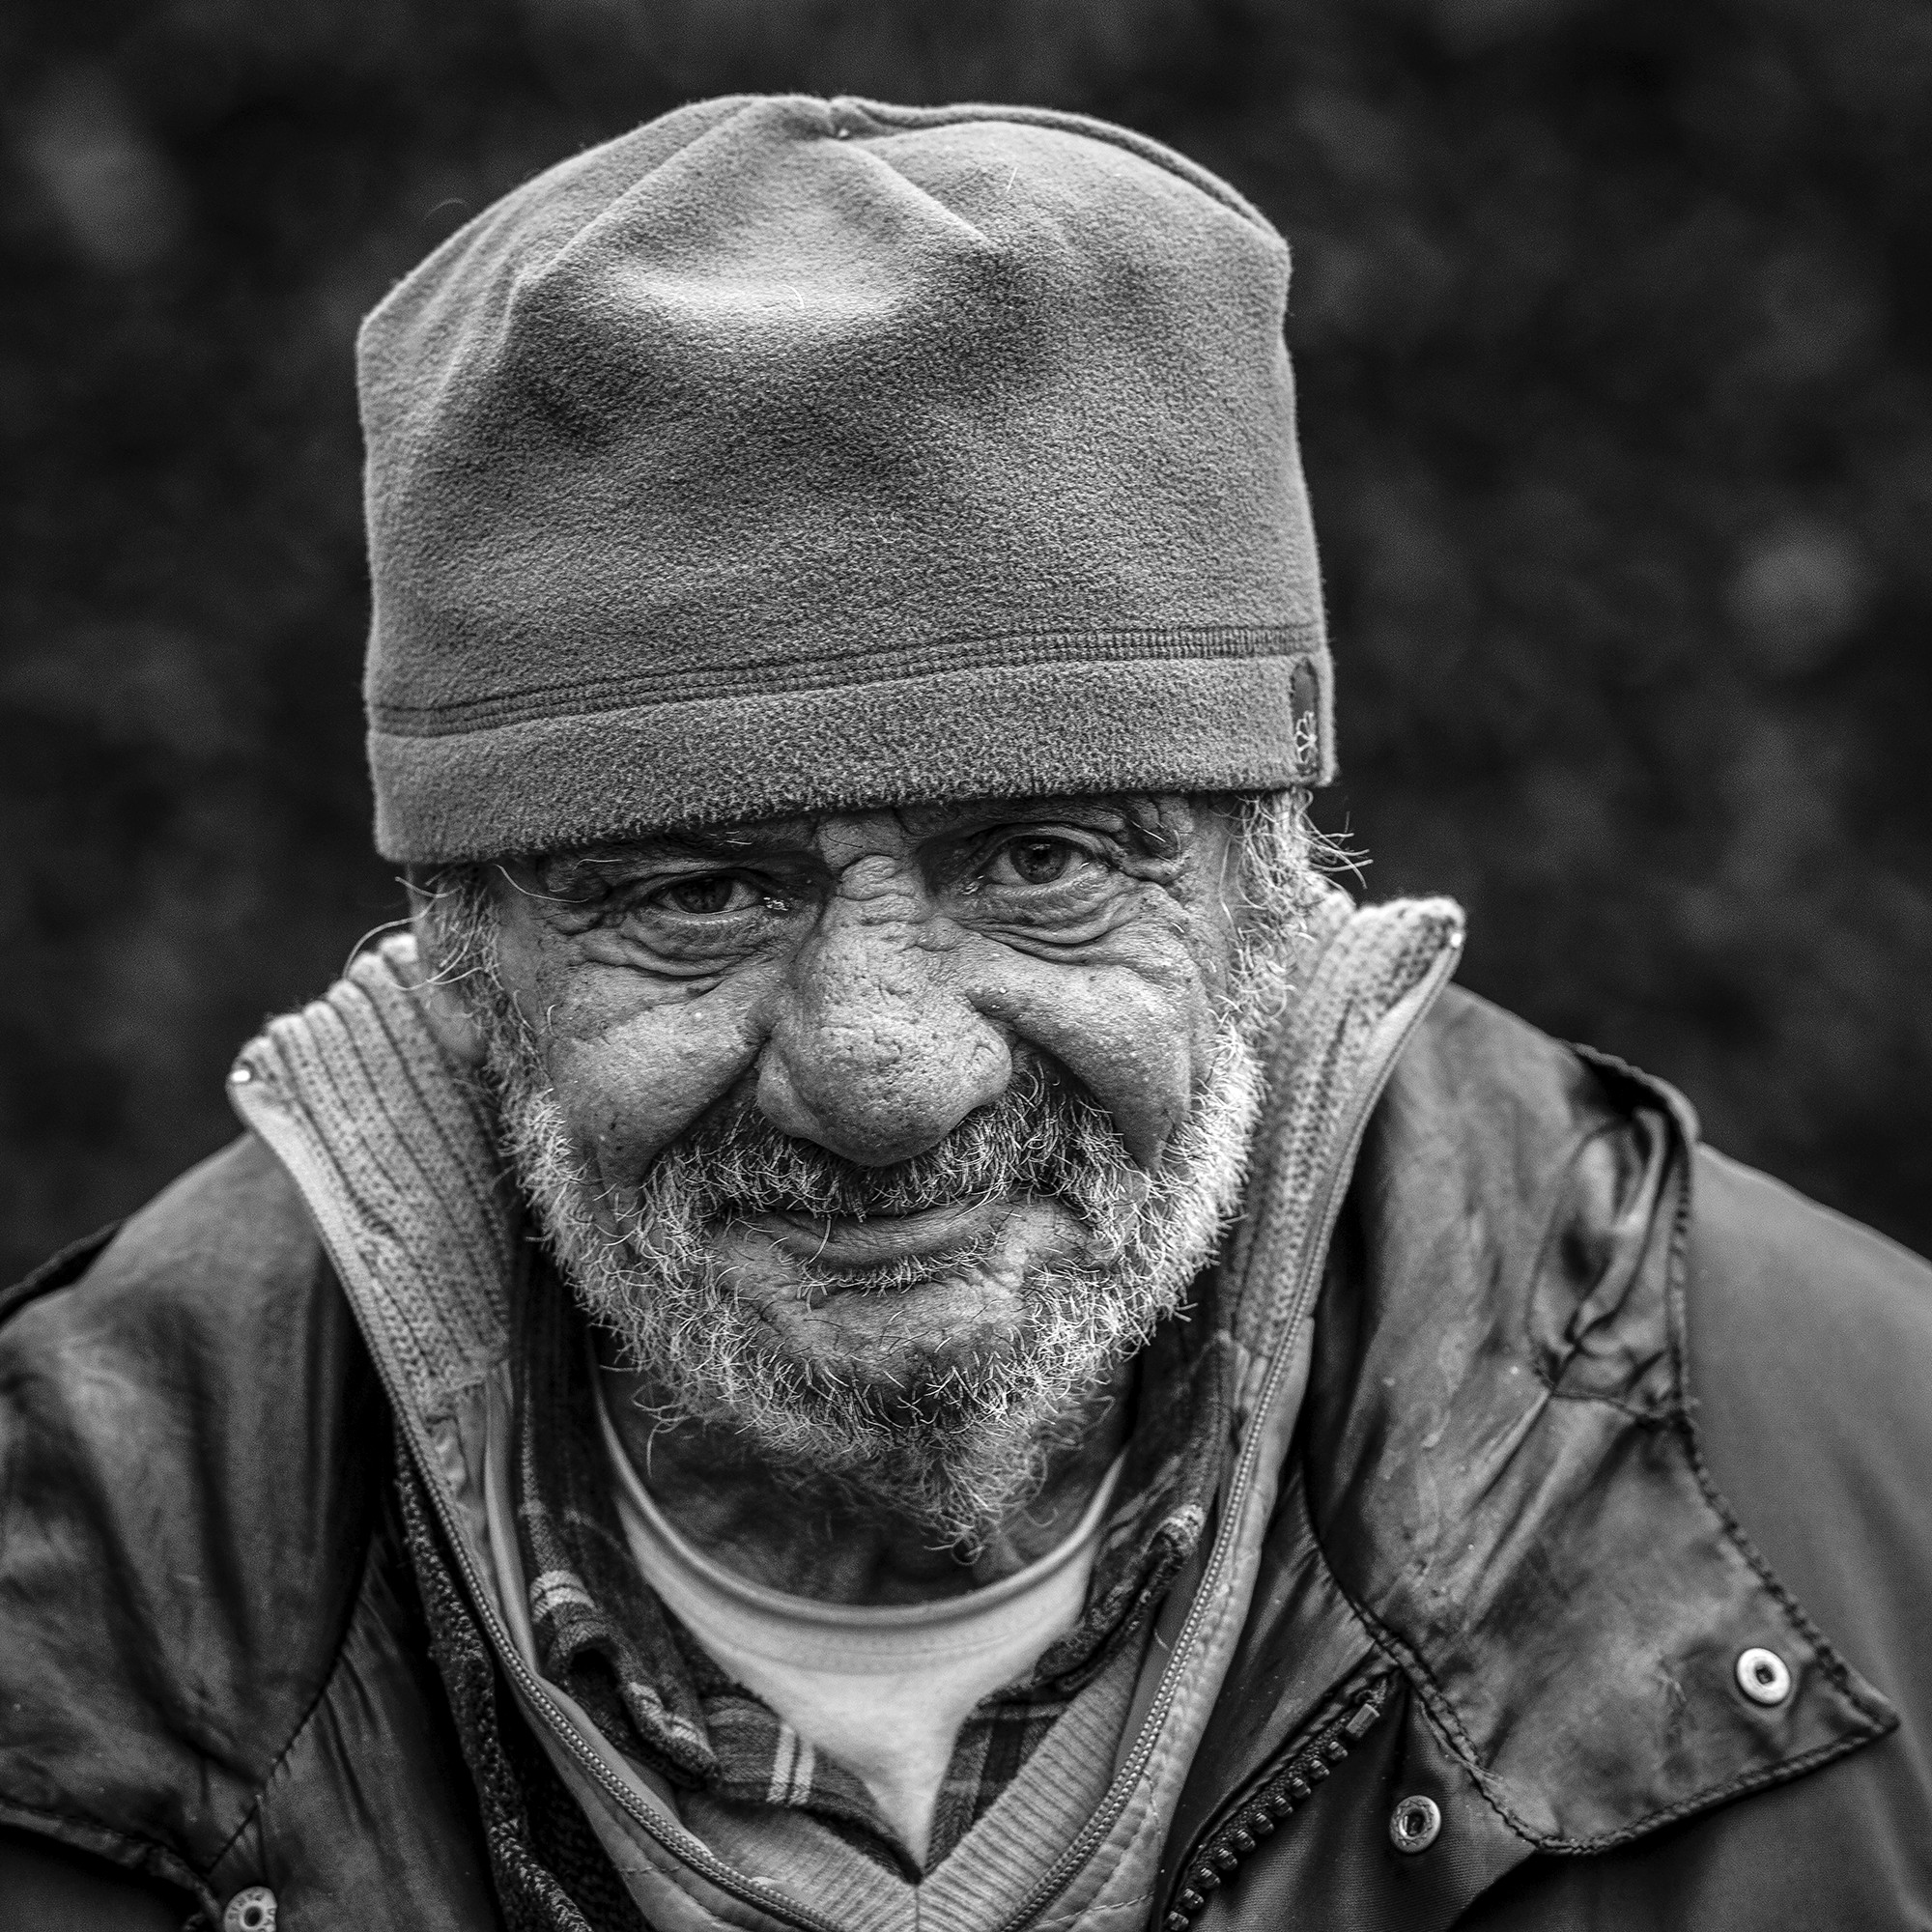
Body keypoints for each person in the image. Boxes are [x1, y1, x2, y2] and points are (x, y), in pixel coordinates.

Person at [2, 93, 1927, 1932]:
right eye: (697, 891)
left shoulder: (1866, 1494)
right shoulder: (64, 1596)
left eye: (1043, 860)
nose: (881, 1071)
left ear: (1274, 885)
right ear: (461, 955)